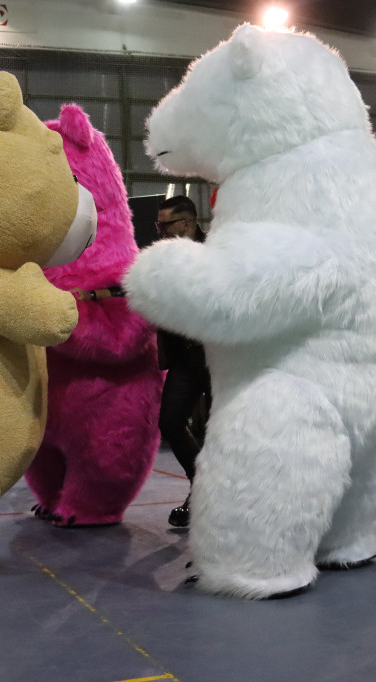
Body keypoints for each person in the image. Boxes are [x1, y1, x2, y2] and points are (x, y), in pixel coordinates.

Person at [155, 195, 211, 527]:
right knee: (170, 422)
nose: (161, 231)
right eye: (158, 225)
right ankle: (201, 485)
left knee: (224, 434)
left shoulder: (217, 251)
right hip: (185, 358)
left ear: (187, 224)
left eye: (166, 225)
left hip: (219, 358)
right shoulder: (164, 257)